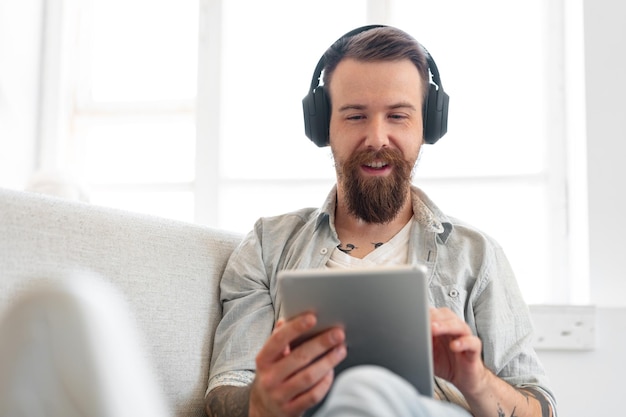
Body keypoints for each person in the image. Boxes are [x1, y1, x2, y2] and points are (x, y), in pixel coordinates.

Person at [204, 25, 557, 417]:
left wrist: (476, 383)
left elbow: (540, 408)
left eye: (398, 116)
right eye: (355, 116)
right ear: (324, 128)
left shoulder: (477, 256)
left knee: (363, 388)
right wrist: (261, 400)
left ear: (427, 127)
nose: (376, 137)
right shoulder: (267, 246)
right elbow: (226, 390)